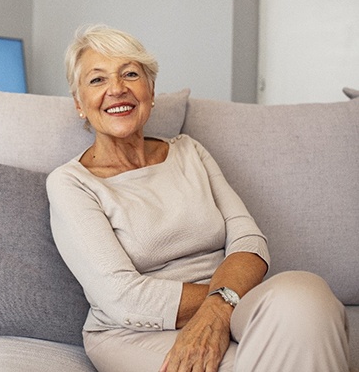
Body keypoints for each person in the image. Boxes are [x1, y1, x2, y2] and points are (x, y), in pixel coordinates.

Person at [46, 25, 350, 372]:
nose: (117, 89)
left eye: (130, 74)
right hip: (134, 329)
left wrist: (220, 309)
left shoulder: (189, 151)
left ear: (150, 90)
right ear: (79, 103)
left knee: (307, 297)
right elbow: (121, 296)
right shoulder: (72, 183)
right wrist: (221, 301)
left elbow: (248, 240)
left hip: (232, 301)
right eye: (97, 80)